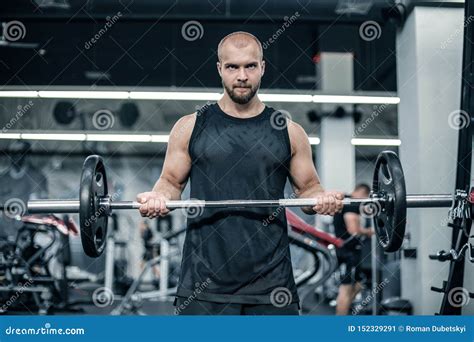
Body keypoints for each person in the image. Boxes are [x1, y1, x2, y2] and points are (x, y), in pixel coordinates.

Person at [136, 31, 344, 315]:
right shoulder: (190, 127)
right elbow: (171, 182)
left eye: (250, 66)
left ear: (263, 67)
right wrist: (158, 197)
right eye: (233, 67)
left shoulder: (289, 132)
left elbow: (308, 190)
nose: (242, 76)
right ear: (220, 68)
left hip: (272, 285)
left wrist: (322, 199)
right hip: (204, 282)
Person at [333, 183, 374, 315]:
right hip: (347, 252)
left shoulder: (346, 201)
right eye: (366, 197)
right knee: (346, 289)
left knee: (358, 284)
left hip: (349, 250)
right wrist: (371, 231)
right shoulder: (352, 204)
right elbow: (354, 230)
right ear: (363, 193)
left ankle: (345, 312)